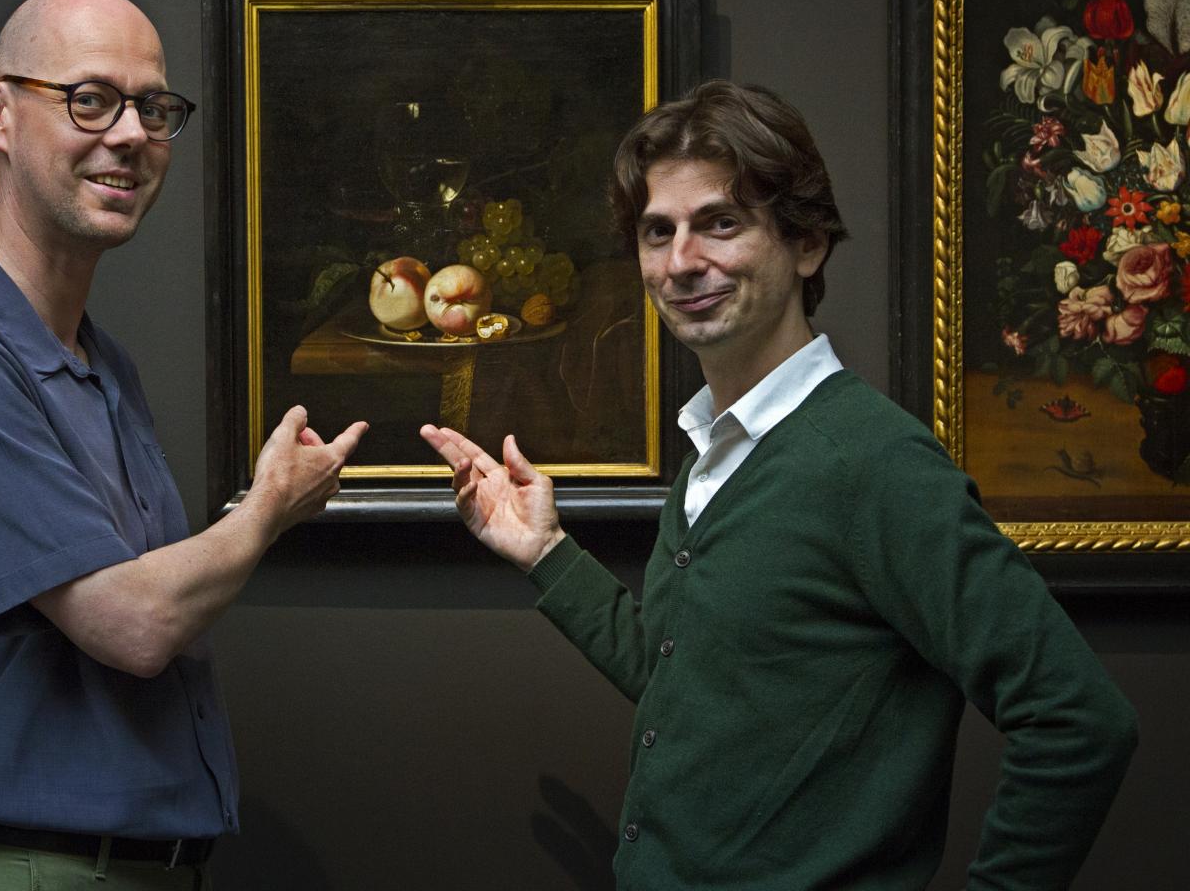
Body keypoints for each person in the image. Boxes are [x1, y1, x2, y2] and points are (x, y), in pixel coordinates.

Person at [421, 79, 1137, 890]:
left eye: (720, 223)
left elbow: (1080, 723)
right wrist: (545, 551)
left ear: (805, 243)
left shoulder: (874, 465)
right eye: (659, 233)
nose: (683, 262)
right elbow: (689, 685)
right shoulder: (713, 450)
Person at [0, 0, 366, 888]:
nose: (128, 135)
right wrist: (268, 509)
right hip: (9, 869)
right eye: (88, 99)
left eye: (153, 108)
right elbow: (136, 622)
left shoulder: (96, 359)